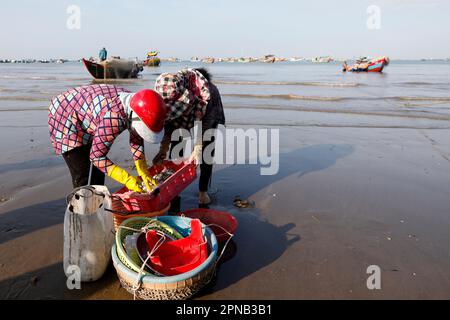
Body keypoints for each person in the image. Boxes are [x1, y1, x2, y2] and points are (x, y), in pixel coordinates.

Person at [48, 84, 167, 192]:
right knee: (82, 173)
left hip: (86, 108)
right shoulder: (113, 117)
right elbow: (96, 156)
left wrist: (143, 171)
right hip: (63, 113)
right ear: (133, 117)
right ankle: (81, 210)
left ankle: (97, 203)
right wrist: (127, 179)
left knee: (98, 173)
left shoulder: (139, 103)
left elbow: (136, 138)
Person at [153, 68, 225, 206]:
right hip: (182, 116)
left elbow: (207, 129)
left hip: (207, 114)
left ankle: (203, 192)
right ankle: (174, 192)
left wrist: (197, 149)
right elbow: (169, 125)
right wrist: (163, 148)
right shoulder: (167, 90)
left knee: (206, 151)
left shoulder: (209, 94)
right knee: (177, 146)